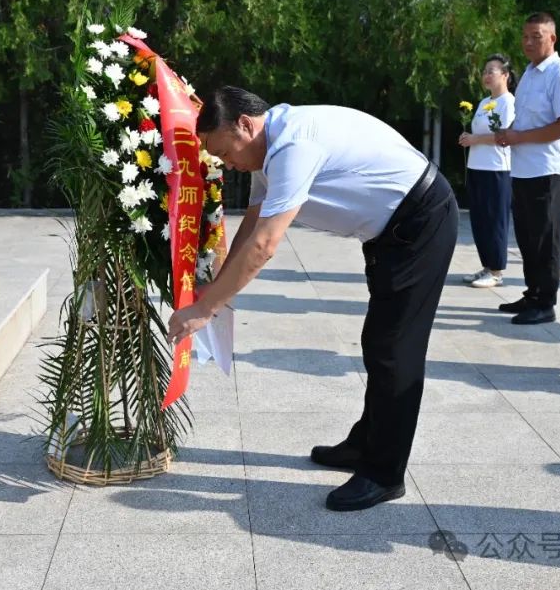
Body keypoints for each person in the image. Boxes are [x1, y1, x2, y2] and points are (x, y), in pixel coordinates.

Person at [167, 86, 458, 512]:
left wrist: (204, 310)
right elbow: (254, 220)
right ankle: (367, 444)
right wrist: (215, 286)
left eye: (223, 152)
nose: (225, 164)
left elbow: (266, 244)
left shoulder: (294, 145)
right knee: (379, 344)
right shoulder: (272, 146)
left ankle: (384, 473)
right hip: (392, 234)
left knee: (395, 350)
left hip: (420, 222)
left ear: (244, 125)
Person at [495, 12, 560, 324]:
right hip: (522, 167)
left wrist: (520, 136)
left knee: (547, 237)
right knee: (527, 236)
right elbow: (530, 118)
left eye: (537, 36)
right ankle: (532, 292)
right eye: (526, 36)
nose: (529, 42)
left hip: (548, 168)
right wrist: (511, 133)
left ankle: (546, 302)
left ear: (553, 38)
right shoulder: (530, 74)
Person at [459, 54, 517, 288]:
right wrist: (468, 138)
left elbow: (505, 135)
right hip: (477, 167)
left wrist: (475, 139)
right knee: (480, 220)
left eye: (491, 71)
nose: (486, 75)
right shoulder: (484, 104)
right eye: (484, 71)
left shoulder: (509, 103)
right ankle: (486, 266)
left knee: (495, 220)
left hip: (497, 169)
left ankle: (496, 271)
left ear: (505, 75)